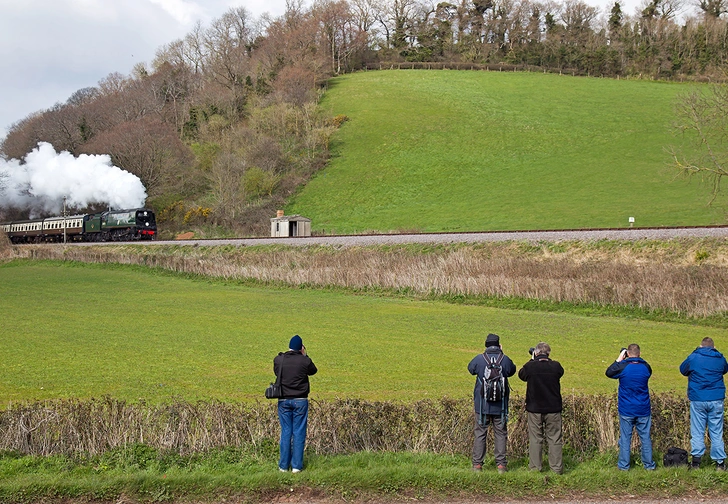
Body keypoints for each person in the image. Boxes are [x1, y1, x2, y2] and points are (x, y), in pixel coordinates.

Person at [467, 333, 516, 473]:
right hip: (500, 406)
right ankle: (501, 465)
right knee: (500, 434)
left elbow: (471, 369)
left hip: (482, 406)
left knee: (480, 433)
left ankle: (477, 465)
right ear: (499, 345)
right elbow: (512, 370)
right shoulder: (504, 359)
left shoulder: (479, 359)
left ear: (486, 345)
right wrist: (502, 354)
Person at [680, 337, 728, 470]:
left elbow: (683, 369)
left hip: (698, 398)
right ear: (713, 347)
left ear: (700, 346)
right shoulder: (719, 358)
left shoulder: (694, 357)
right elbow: (725, 369)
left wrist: (696, 351)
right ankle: (720, 463)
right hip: (716, 398)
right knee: (716, 432)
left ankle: (696, 462)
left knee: (697, 431)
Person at [605, 344, 656, 471]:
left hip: (627, 408)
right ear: (639, 353)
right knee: (645, 438)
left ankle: (624, 466)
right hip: (643, 408)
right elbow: (648, 373)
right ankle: (649, 465)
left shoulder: (623, 367)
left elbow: (609, 372)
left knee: (626, 438)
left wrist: (619, 358)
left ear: (627, 353)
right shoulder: (646, 367)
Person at [518, 342, 565, 474]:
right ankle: (556, 469)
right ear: (548, 353)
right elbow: (560, 373)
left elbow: (522, 375)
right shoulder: (556, 366)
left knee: (535, 439)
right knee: (554, 439)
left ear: (536, 353)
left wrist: (532, 359)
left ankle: (535, 468)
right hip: (553, 408)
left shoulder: (530, 366)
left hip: (535, 408)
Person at [273, 334, 318, 473]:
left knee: (286, 431)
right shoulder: (304, 361)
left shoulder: (279, 359)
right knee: (298, 432)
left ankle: (283, 466)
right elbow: (313, 371)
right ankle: (297, 467)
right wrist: (305, 355)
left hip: (283, 400)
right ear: (301, 348)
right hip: (300, 400)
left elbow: (276, 372)